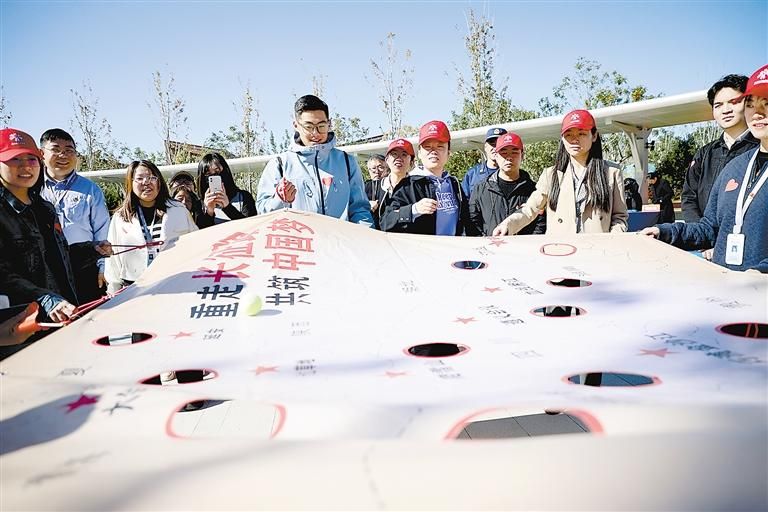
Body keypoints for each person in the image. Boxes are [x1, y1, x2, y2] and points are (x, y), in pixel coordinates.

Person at [641, 63, 768, 274]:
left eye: (767, 103)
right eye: (751, 104)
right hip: (725, 282)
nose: (757, 113)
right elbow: (709, 227)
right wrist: (664, 232)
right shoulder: (735, 166)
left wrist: (760, 272)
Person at [0, 129, 111, 330]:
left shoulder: (45, 209)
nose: (25, 166)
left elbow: (60, 258)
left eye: (31, 159)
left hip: (63, 314)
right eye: (14, 159)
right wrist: (46, 299)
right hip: (20, 326)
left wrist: (92, 249)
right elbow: (4, 276)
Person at [492, 109, 628, 236]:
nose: (574, 139)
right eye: (568, 135)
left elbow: (619, 217)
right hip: (560, 248)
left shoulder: (611, 172)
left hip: (597, 249)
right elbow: (530, 209)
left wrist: (612, 239)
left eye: (581, 133)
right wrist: (508, 224)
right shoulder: (550, 175)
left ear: (594, 135)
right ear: (562, 138)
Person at [255, 95, 373, 226]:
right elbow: (263, 212)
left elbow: (360, 209)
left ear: (329, 124)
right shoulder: (280, 164)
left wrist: (367, 234)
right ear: (296, 125)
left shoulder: (346, 162)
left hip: (339, 237)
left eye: (321, 126)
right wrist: (280, 200)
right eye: (309, 127)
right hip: (300, 237)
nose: (315, 133)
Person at [38, 128, 111, 303]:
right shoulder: (32, 187)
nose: (63, 155)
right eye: (56, 149)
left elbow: (103, 230)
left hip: (85, 267)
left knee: (91, 315)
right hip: (46, 270)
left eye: (69, 150)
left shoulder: (90, 189)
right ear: (42, 153)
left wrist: (103, 267)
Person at [105, 160, 197, 293]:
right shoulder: (120, 218)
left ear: (159, 181)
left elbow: (195, 246)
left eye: (152, 178)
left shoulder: (179, 210)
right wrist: (113, 290)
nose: (146, 182)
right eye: (140, 178)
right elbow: (113, 259)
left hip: (174, 285)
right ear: (131, 182)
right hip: (133, 288)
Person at [681, 74, 759, 223]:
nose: (725, 110)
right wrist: (699, 231)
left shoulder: (761, 148)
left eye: (734, 102)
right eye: (718, 105)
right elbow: (689, 196)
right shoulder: (704, 153)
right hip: (704, 234)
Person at [379, 121, 465, 235]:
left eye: (440, 147)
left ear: (448, 153)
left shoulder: (454, 184)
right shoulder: (408, 185)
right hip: (422, 246)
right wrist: (414, 209)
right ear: (419, 153)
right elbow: (386, 221)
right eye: (427, 147)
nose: (433, 152)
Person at [467, 132, 546, 236]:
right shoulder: (481, 189)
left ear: (522, 155)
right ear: (496, 156)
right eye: (504, 152)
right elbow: (472, 222)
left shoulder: (534, 190)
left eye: (514, 152)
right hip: (490, 245)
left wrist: (528, 243)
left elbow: (541, 223)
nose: (509, 157)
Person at [196, 152, 256, 228]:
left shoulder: (244, 197)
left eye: (217, 172)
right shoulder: (199, 205)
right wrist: (209, 212)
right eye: (208, 175)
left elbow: (252, 227)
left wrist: (227, 207)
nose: (214, 177)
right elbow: (199, 232)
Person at [461, 127, 506, 201]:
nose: (495, 148)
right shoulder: (472, 174)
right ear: (485, 147)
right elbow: (464, 201)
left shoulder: (513, 174)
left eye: (499, 144)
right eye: (492, 143)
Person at [378, 138, 415, 218]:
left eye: (404, 155)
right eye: (394, 154)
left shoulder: (418, 188)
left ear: (411, 162)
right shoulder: (372, 188)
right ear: (387, 160)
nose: (398, 158)